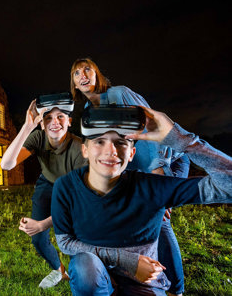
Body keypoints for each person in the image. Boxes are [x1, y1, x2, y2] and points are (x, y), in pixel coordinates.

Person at [51, 105, 232, 295]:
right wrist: (129, 261)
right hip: (96, 277)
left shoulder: (152, 187)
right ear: (85, 150)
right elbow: (65, 242)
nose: (110, 150)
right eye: (99, 141)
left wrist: (178, 138)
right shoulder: (65, 187)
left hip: (144, 284)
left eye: (121, 142)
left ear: (131, 154)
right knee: (84, 265)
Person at [70, 58, 189, 296]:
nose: (82, 75)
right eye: (76, 73)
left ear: (97, 74)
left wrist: (159, 174)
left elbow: (152, 125)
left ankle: (177, 290)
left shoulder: (120, 94)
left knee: (160, 221)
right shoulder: (87, 111)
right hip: (136, 168)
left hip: (168, 159)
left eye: (87, 70)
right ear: (73, 82)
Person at [0, 94, 87, 288]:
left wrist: (42, 224)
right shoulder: (38, 137)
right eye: (48, 118)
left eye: (60, 117)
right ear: (42, 123)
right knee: (37, 238)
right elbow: (6, 164)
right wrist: (27, 127)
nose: (54, 122)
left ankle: (83, 270)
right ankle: (59, 270)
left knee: (76, 235)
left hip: (72, 190)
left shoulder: (79, 149)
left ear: (69, 121)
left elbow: (75, 204)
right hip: (46, 184)